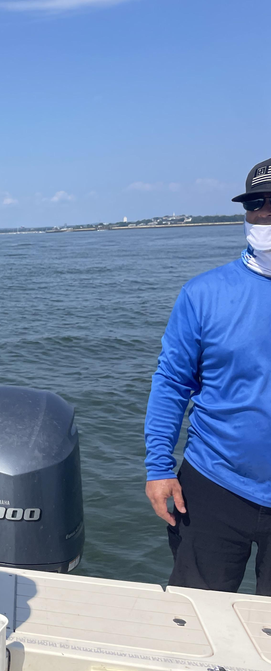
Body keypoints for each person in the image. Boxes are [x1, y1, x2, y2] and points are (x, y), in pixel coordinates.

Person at [145, 156, 271, 594]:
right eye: (257, 202)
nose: (267, 211)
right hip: (213, 486)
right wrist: (158, 467)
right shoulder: (202, 294)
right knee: (194, 620)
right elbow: (171, 384)